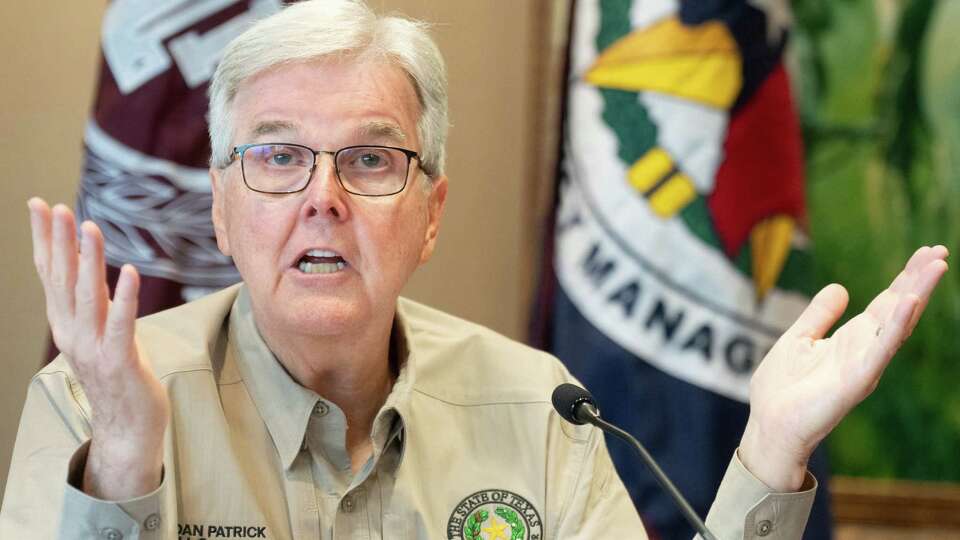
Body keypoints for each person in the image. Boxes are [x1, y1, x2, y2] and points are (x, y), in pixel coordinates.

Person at [1, 1, 949, 538]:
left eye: (371, 159)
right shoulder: (95, 403)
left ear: (430, 215)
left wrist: (769, 455)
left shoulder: (542, 407)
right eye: (278, 156)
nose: (322, 195)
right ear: (219, 207)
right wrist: (123, 463)